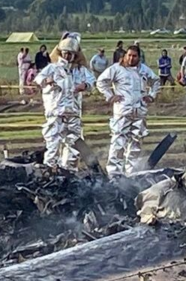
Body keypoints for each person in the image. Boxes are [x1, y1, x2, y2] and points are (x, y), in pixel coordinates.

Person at [34, 33, 95, 170]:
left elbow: (92, 81)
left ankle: (69, 172)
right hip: (56, 112)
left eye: (70, 54)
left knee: (74, 145)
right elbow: (39, 80)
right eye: (65, 53)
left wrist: (85, 86)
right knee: (52, 143)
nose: (67, 56)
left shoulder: (80, 71)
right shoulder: (52, 68)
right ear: (61, 53)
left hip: (73, 113)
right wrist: (47, 81)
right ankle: (50, 171)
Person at [96, 44, 159, 177]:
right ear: (125, 56)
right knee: (118, 142)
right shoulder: (117, 68)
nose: (131, 58)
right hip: (122, 111)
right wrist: (110, 95)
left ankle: (132, 173)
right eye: (129, 55)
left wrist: (151, 96)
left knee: (136, 142)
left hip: (139, 111)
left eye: (134, 56)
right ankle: (115, 172)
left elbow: (155, 81)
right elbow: (101, 81)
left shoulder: (144, 70)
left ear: (138, 57)